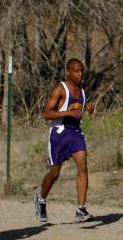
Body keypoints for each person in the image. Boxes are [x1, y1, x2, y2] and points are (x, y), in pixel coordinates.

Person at [34, 58, 94, 223]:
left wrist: (90, 109)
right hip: (59, 133)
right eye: (76, 71)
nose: (80, 74)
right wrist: (66, 113)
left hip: (75, 133)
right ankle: (41, 199)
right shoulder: (60, 89)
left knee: (83, 167)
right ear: (69, 71)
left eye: (81, 71)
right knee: (55, 173)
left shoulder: (82, 90)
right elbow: (46, 114)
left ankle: (81, 209)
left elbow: (81, 109)